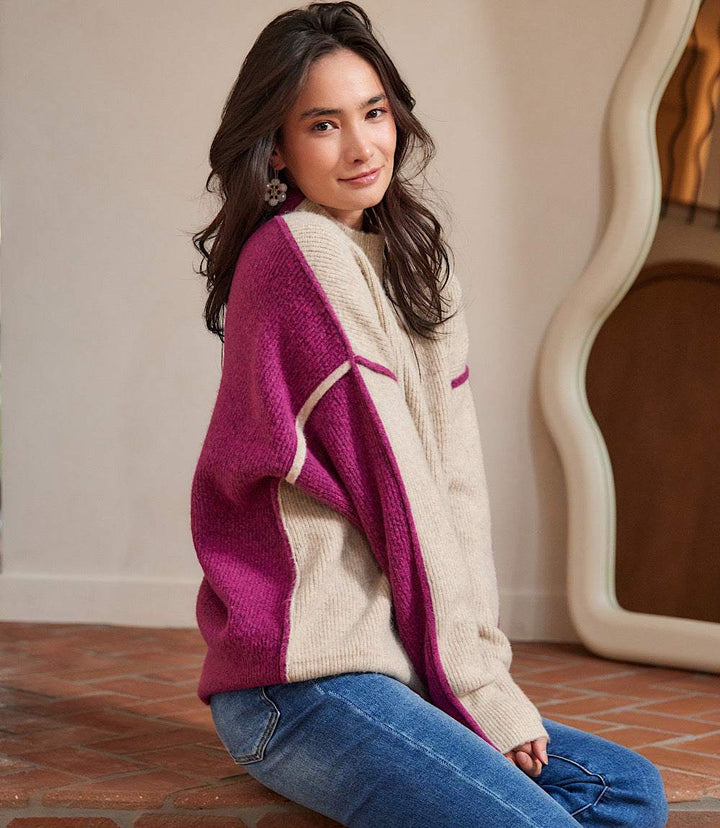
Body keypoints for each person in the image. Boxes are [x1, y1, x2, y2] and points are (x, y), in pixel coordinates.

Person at [189, 3, 669, 825]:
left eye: (373, 113)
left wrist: (480, 680)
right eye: (324, 125)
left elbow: (455, 486)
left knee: (626, 792)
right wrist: (478, 694)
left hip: (397, 667)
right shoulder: (298, 255)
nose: (362, 146)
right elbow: (402, 494)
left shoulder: (415, 261)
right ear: (277, 147)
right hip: (297, 680)